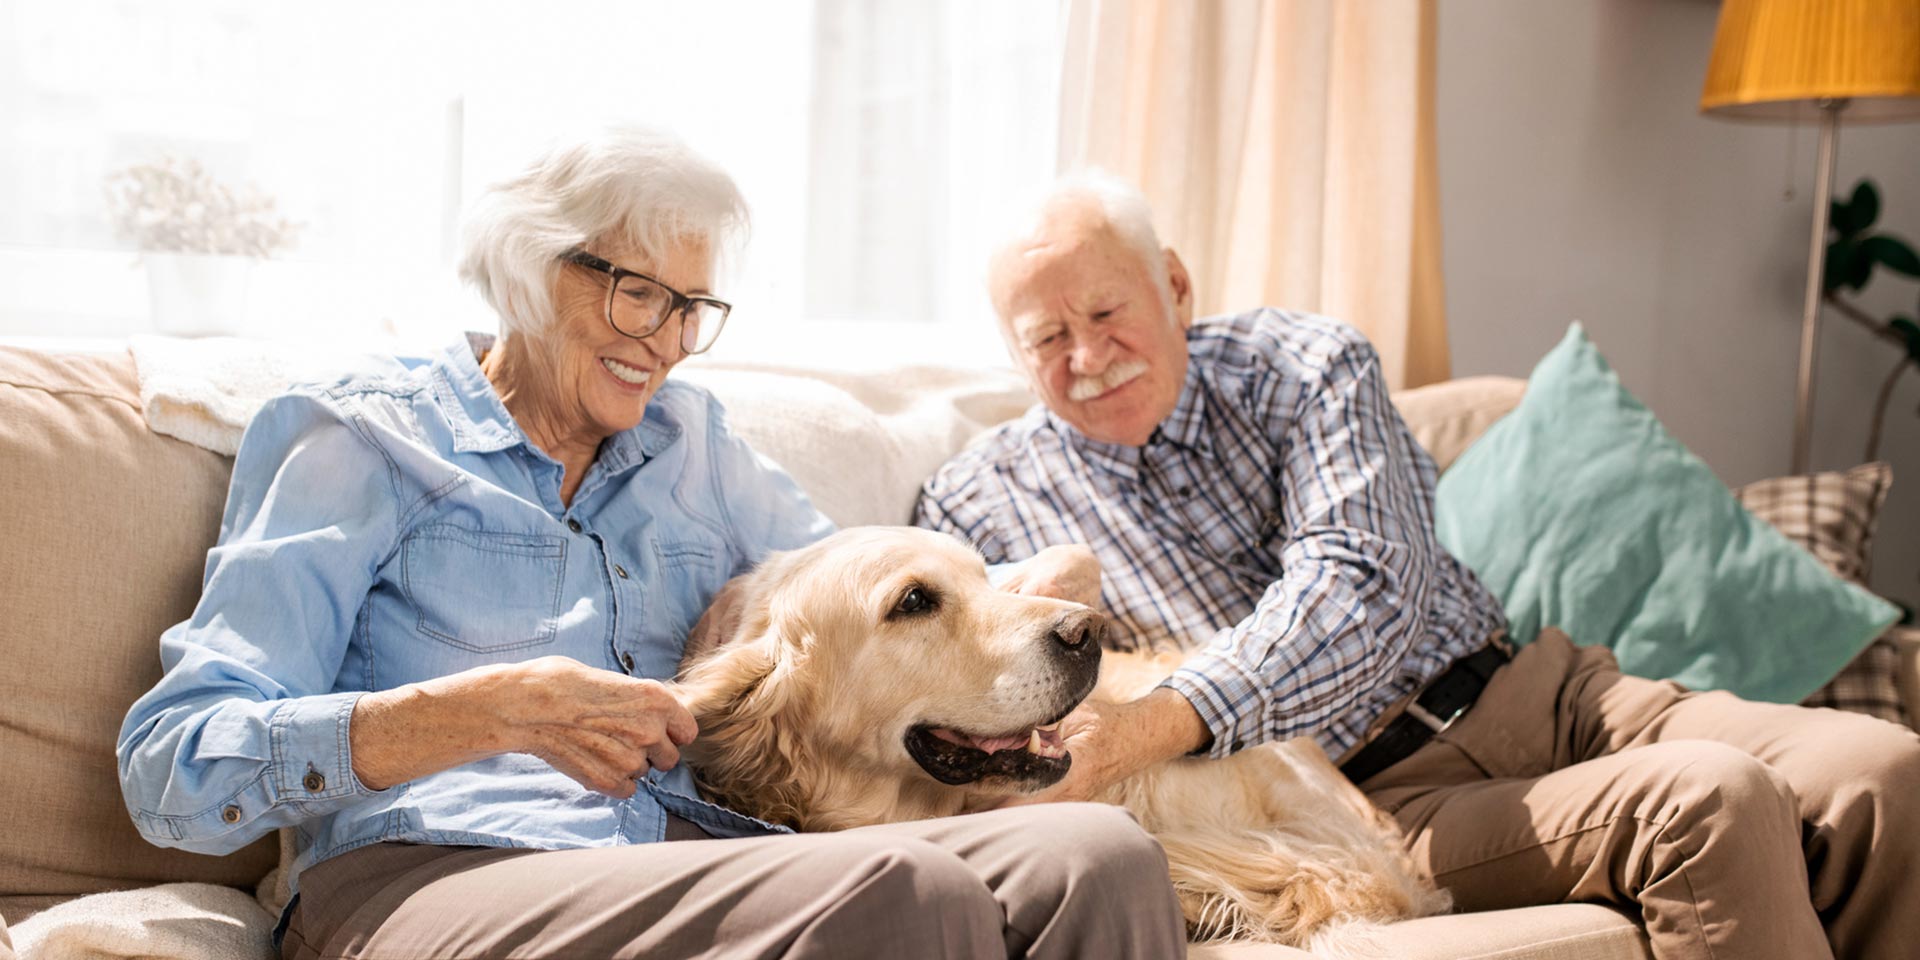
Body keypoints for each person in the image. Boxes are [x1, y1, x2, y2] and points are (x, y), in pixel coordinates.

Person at [116, 129, 1187, 960]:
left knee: (1096, 858)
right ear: (529, 270)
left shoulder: (694, 447)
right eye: (636, 293)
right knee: (908, 891)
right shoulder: (358, 439)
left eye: (691, 307)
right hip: (425, 877)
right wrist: (477, 711)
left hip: (690, 860)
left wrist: (1017, 602)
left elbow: (869, 606)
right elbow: (173, 770)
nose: (666, 342)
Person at [914, 171, 1920, 960]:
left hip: (1556, 692)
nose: (1086, 356)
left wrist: (1155, 722)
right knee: (1711, 800)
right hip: (1370, 799)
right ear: (1012, 352)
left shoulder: (1306, 366)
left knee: (1883, 771)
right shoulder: (978, 500)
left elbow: (1362, 585)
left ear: (1174, 284)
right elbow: (966, 682)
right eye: (1045, 337)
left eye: (1104, 312)